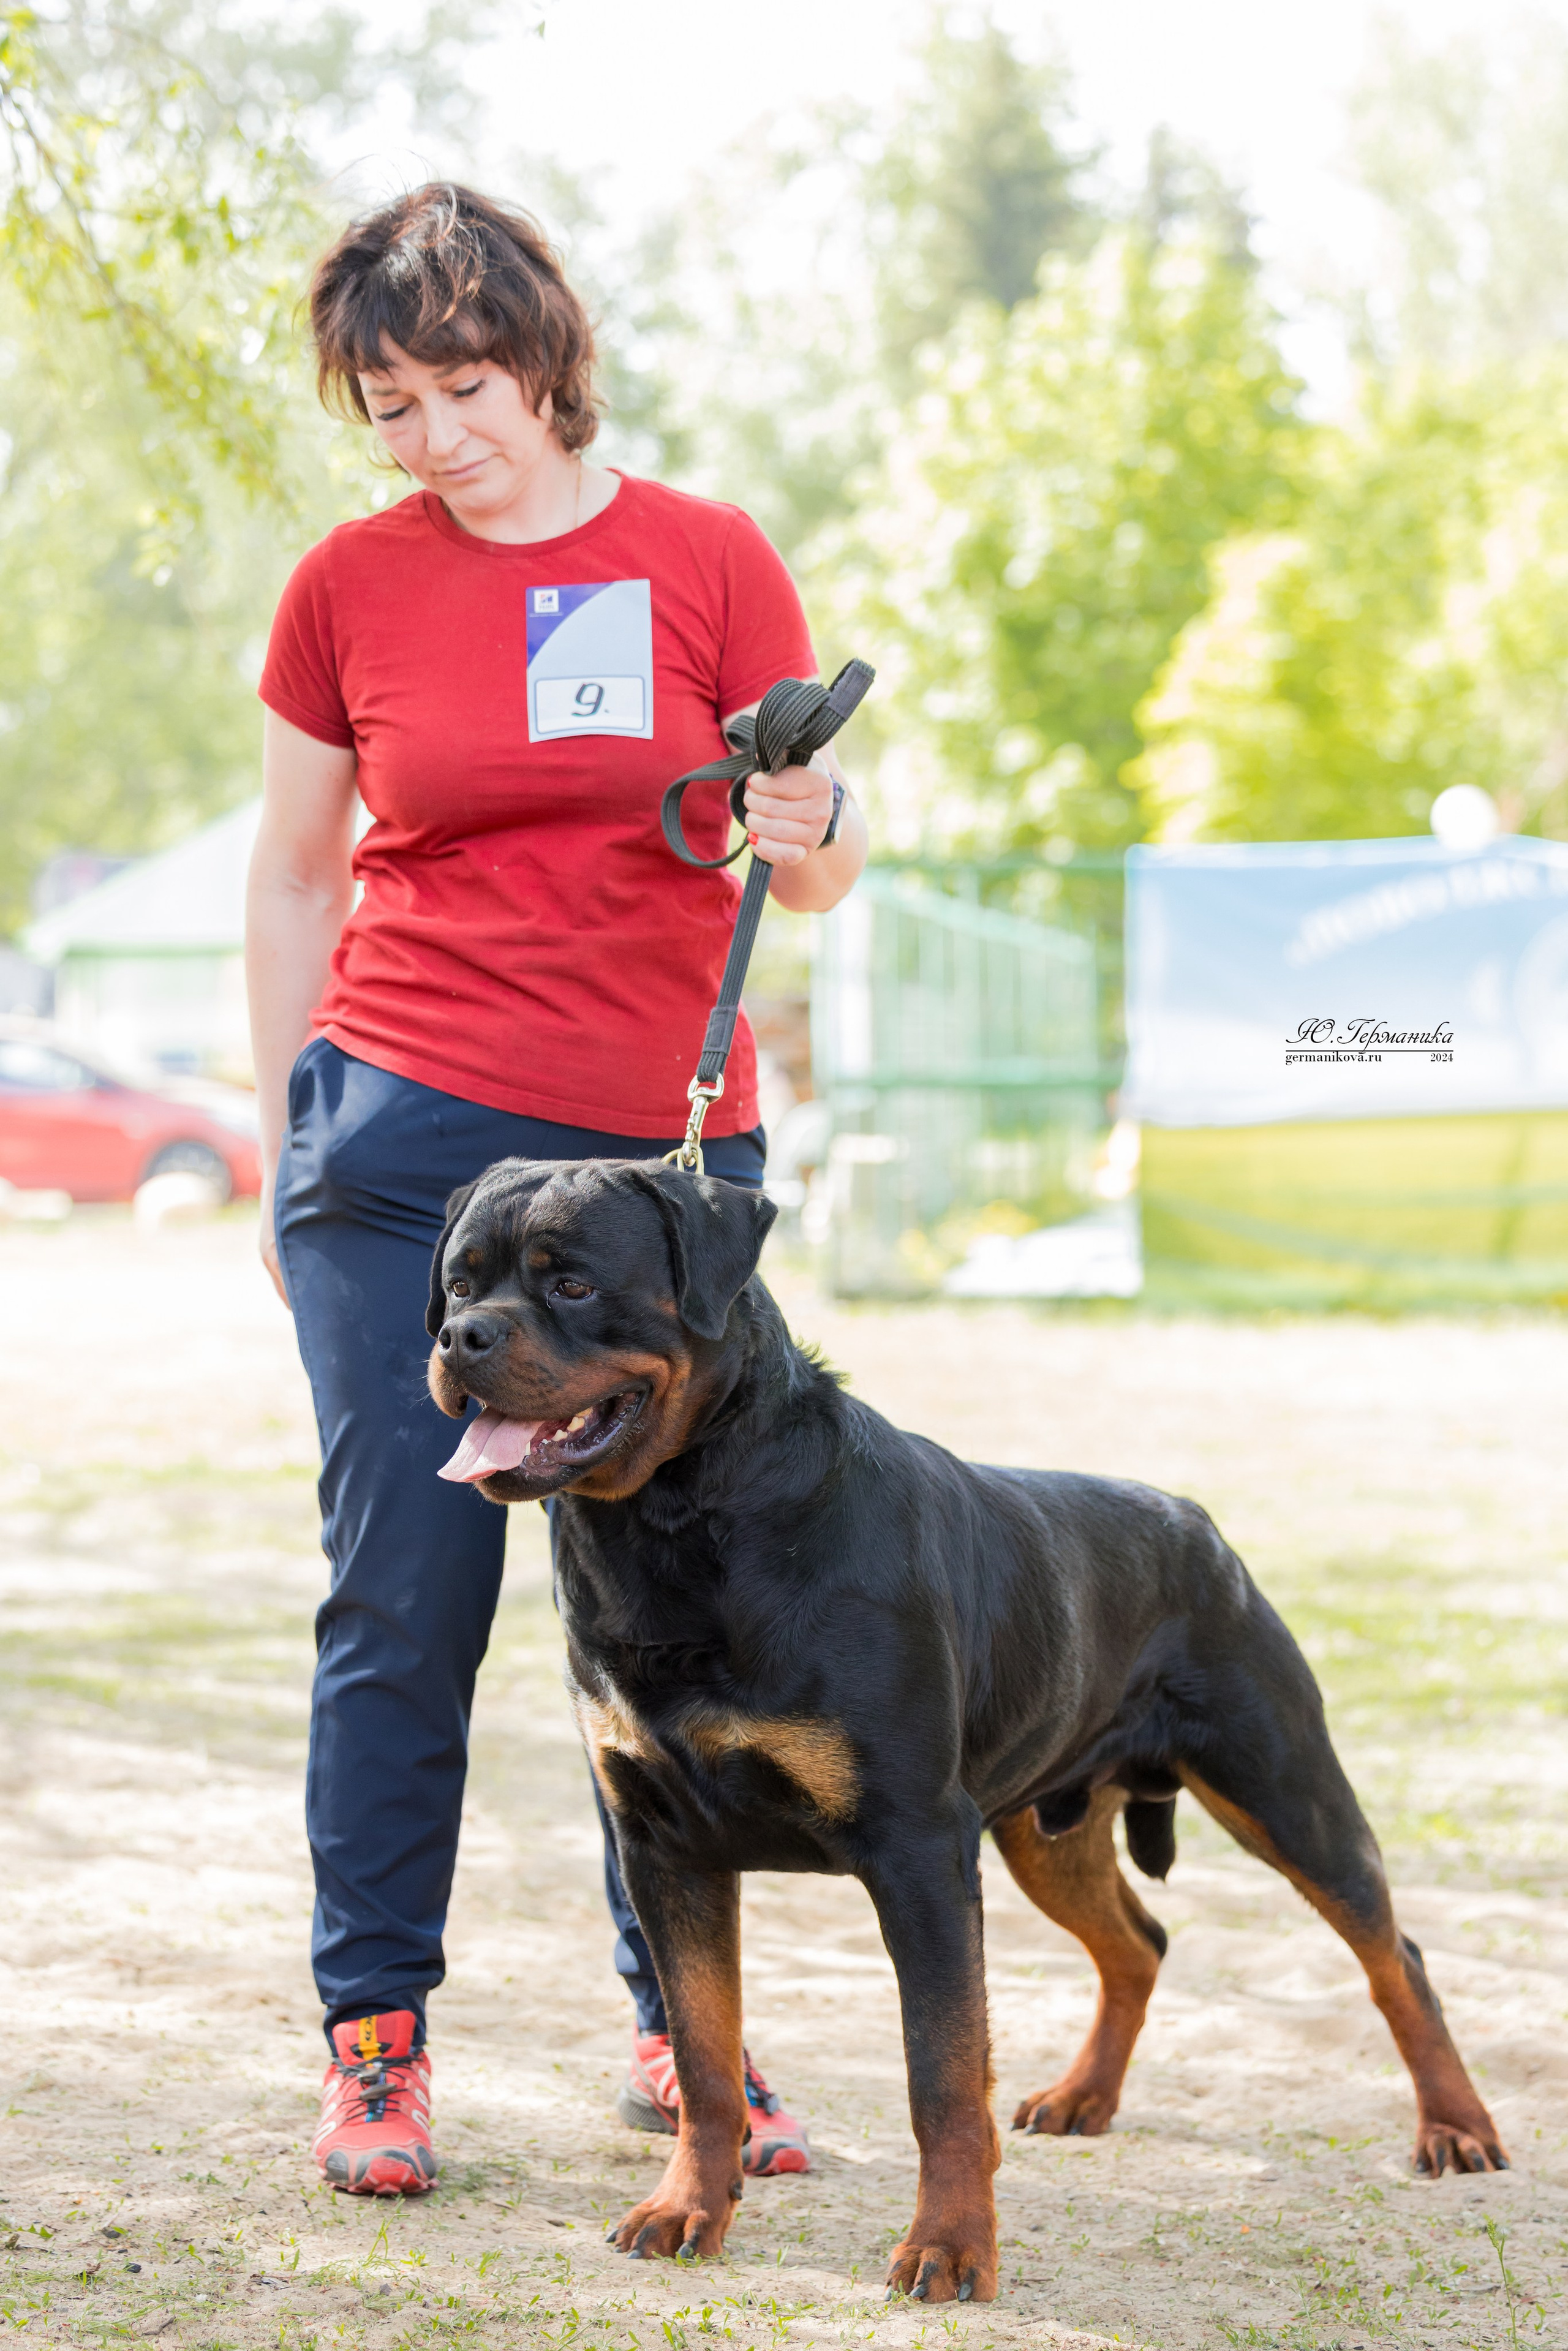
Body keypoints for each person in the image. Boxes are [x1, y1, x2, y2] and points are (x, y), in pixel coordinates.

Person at [245, 183, 868, 2198]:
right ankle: (375, 2042)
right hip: (406, 1159)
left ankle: (687, 2041)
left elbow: (815, 866)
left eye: (464, 387)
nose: (435, 437)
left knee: (684, 1617)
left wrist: (817, 817)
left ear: (547, 360)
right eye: (391, 406)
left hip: (657, 1184)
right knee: (403, 1598)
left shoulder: (706, 558)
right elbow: (295, 874)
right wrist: (286, 1140)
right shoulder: (346, 587)